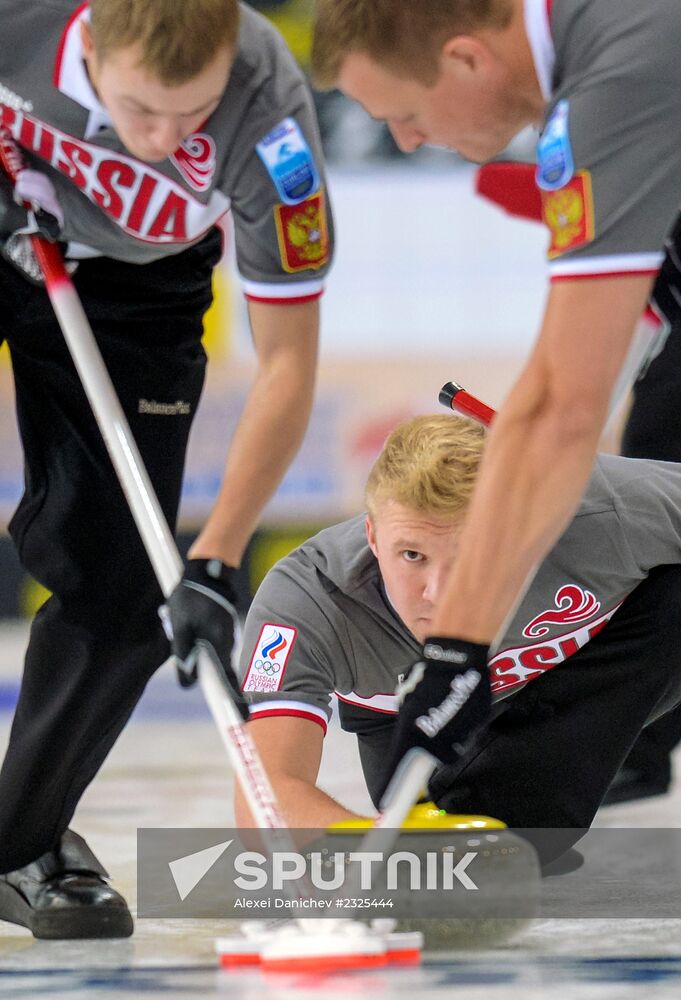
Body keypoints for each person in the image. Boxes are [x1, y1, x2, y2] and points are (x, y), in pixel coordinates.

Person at [0, 0, 333, 938]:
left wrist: (218, 562)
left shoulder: (268, 114)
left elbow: (288, 363)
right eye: (142, 110)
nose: (160, 143)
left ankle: (19, 839)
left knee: (130, 590)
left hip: (140, 284)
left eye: (193, 117)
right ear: (88, 45)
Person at [310, 0, 681, 786]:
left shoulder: (614, 78)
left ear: (468, 59)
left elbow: (558, 407)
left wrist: (455, 652)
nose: (407, 140)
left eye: (404, 114)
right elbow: (560, 383)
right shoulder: (604, 52)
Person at [235, 414, 681, 866]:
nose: (440, 593)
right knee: (498, 840)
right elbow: (266, 798)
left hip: (573, 688)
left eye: (468, 555)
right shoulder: (307, 600)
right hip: (428, 758)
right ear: (371, 535)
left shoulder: (603, 508)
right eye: (412, 555)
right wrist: (377, 850)